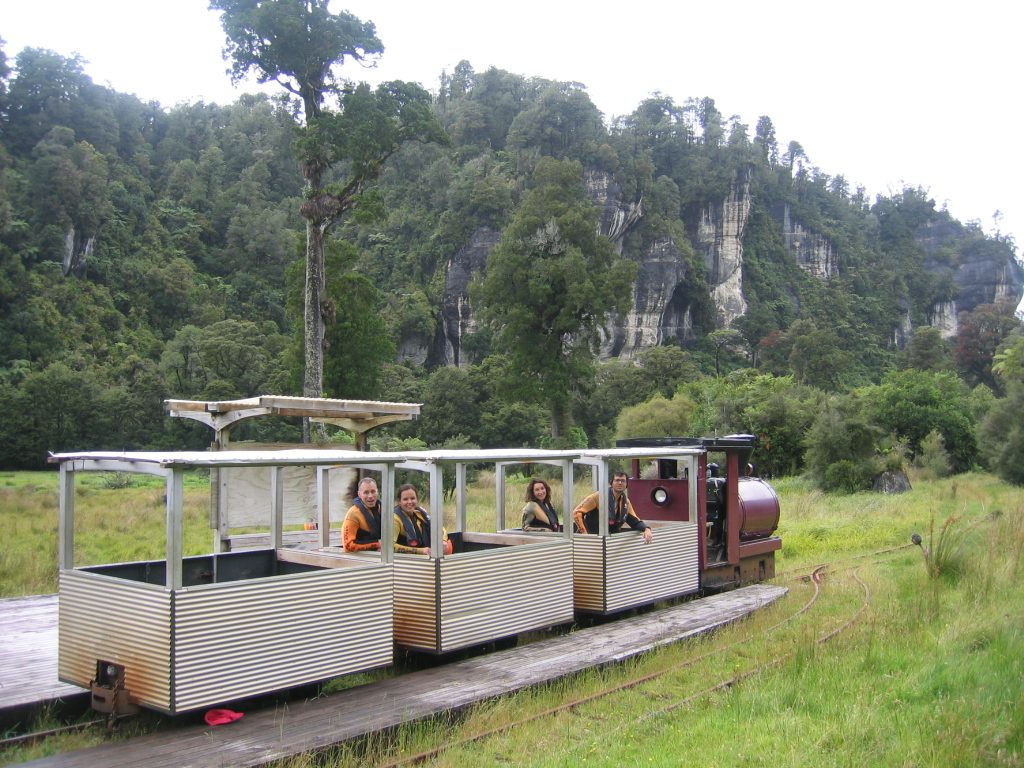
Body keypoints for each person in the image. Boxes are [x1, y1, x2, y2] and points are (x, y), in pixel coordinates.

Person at [572, 471, 653, 543]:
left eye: (623, 481)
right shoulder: (598, 497)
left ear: (627, 484)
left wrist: (647, 529)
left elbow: (635, 522)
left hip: (609, 542)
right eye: (617, 480)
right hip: (590, 542)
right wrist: (585, 536)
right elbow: (576, 513)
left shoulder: (626, 502)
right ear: (611, 483)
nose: (620, 483)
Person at [394, 483, 453, 555]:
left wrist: (443, 540)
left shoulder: (420, 513)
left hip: (426, 558)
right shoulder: (395, 519)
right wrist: (421, 551)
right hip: (405, 561)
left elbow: (439, 528)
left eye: (412, 498)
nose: (409, 502)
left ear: (417, 499)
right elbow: (390, 546)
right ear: (399, 502)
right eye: (405, 499)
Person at [342, 476, 384, 552]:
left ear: (377, 492)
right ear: (359, 494)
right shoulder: (352, 514)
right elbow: (348, 546)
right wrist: (376, 544)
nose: (370, 496)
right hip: (360, 560)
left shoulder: (382, 509)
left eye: (373, 491)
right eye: (366, 492)